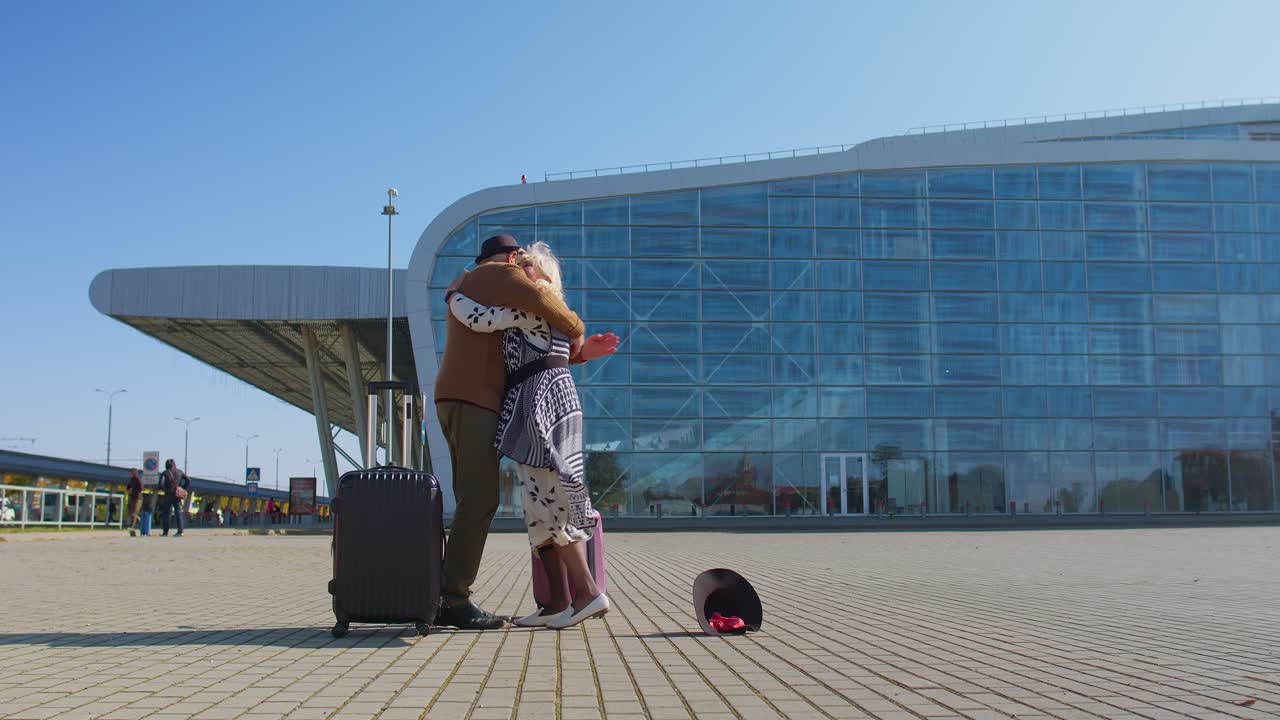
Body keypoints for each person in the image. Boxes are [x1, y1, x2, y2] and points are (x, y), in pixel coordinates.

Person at [434, 233, 617, 630]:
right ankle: (558, 601)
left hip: (538, 407)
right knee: (536, 501)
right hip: (523, 406)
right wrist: (579, 341)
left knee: (546, 498)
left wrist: (452, 296)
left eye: (526, 267)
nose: (518, 269)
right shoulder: (514, 290)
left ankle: (580, 594)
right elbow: (550, 342)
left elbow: (536, 339)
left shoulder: (527, 295)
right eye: (517, 262)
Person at [159, 459, 189, 537]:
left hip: (168, 495)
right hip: (177, 495)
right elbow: (188, 480)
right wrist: (182, 488)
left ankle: (165, 532)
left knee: (166, 513)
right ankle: (180, 531)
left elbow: (160, 484)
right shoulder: (180, 472)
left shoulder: (165, 473)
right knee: (178, 512)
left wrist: (164, 489)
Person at [125, 469, 144, 536]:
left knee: (134, 512)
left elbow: (141, 488)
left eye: (130, 473)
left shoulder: (138, 479)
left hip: (138, 498)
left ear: (134, 473)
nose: (129, 474)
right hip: (132, 497)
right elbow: (128, 487)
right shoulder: (131, 480)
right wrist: (128, 489)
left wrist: (133, 490)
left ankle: (132, 527)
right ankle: (141, 520)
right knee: (130, 511)